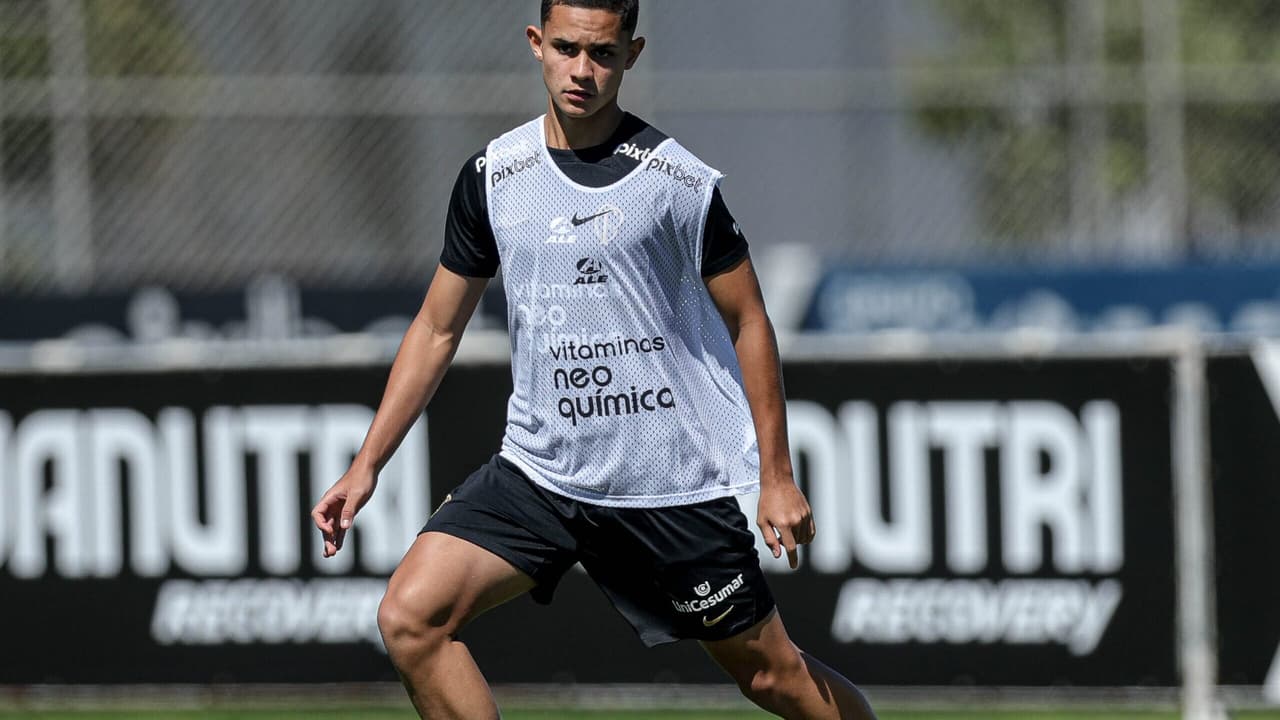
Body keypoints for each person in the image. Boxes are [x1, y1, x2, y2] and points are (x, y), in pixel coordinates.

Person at [311, 1, 879, 718]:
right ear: (535, 43)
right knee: (410, 618)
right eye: (567, 48)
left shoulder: (674, 183)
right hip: (541, 472)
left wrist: (777, 476)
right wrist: (366, 466)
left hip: (663, 486)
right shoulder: (493, 176)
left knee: (776, 680)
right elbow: (434, 328)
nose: (583, 70)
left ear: (631, 54)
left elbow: (750, 319)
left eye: (603, 53)